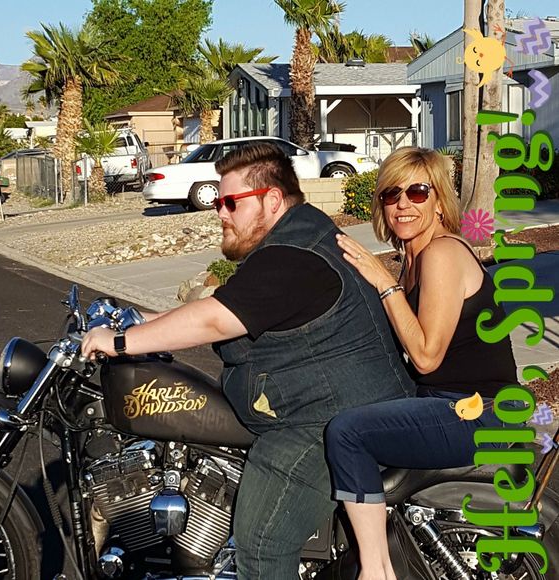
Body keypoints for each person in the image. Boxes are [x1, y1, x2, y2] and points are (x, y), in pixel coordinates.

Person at [82, 142, 415, 579]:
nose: (221, 213)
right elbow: (228, 306)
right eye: (218, 203)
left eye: (231, 203)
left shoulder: (294, 256)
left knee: (259, 546)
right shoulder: (294, 239)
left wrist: (123, 342)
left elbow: (215, 320)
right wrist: (139, 320)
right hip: (326, 405)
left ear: (271, 200)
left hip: (327, 420)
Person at [325, 146, 518, 580]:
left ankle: (376, 570)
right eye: (391, 194)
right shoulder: (412, 258)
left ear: (439, 201)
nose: (403, 204)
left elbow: (427, 356)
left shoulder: (442, 254)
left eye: (417, 192)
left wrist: (383, 282)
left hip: (479, 412)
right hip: (448, 402)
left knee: (348, 433)